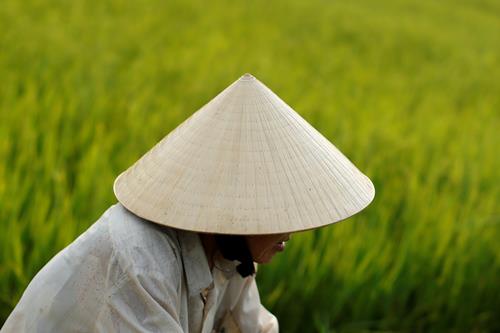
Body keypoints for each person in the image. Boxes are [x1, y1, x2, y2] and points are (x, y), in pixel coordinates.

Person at [1, 73, 375, 333]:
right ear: (235, 209)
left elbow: (255, 327)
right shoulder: (140, 260)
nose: (290, 234)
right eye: (277, 215)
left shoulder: (230, 259)